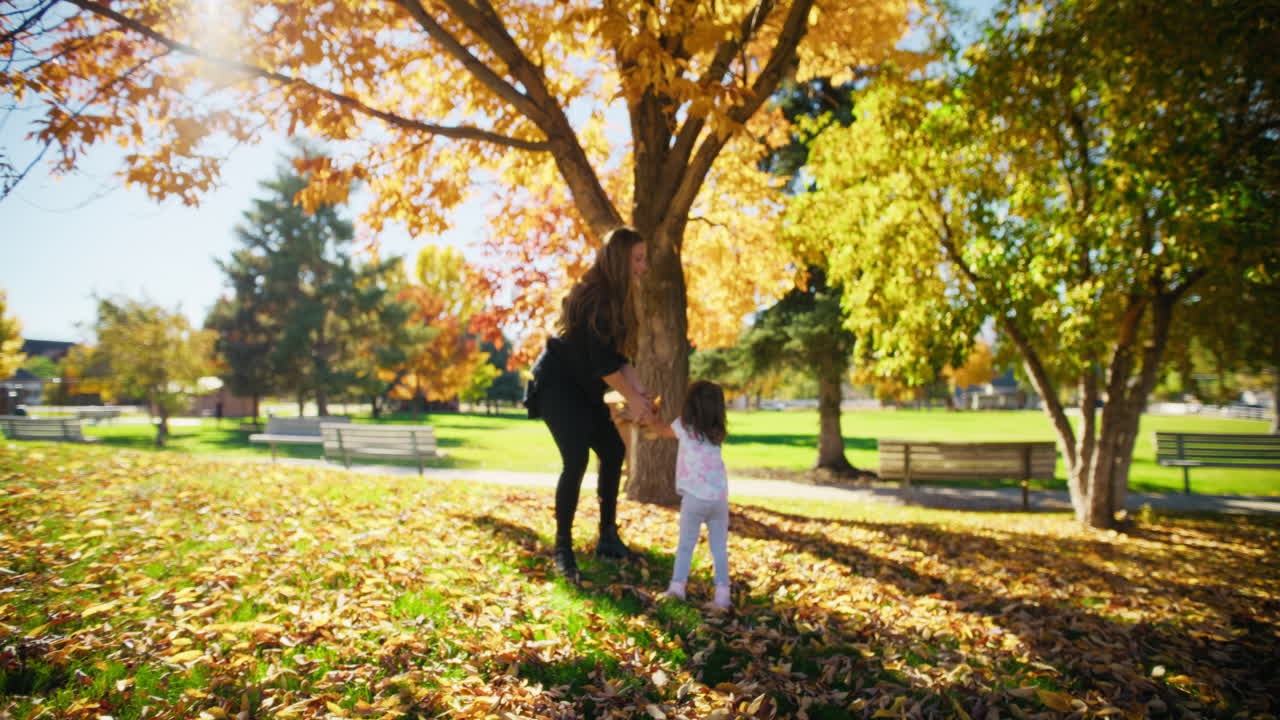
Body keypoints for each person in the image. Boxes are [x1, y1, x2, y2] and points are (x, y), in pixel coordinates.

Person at [524, 227, 658, 582]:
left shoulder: (619, 298)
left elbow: (619, 358)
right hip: (556, 384)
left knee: (613, 450)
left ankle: (608, 538)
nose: (644, 267)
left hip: (584, 388)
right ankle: (563, 550)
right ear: (619, 259)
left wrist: (641, 394)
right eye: (639, 259)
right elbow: (603, 364)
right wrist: (631, 399)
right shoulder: (594, 295)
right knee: (577, 459)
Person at [650, 380, 732, 610]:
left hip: (695, 498)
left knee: (686, 545)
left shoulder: (684, 427)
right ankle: (723, 597)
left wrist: (653, 415)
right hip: (719, 499)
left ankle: (677, 588)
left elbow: (660, 430)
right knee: (719, 548)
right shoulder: (718, 432)